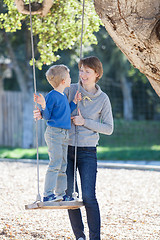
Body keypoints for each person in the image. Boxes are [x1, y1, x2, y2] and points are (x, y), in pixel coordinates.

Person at [34, 56, 114, 240]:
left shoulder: (103, 99)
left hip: (87, 151)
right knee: (70, 196)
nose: (82, 75)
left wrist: (85, 122)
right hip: (66, 148)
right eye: (81, 70)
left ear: (97, 74)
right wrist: (41, 112)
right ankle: (80, 236)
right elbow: (53, 107)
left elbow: (109, 128)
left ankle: (95, 238)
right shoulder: (70, 89)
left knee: (88, 197)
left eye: (87, 71)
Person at [34, 64, 80, 203]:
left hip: (64, 134)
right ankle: (48, 194)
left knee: (63, 165)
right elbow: (47, 116)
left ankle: (60, 193)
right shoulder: (52, 95)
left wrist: (74, 102)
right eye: (69, 76)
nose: (71, 78)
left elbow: (65, 112)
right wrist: (43, 105)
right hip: (54, 133)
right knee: (55, 163)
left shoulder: (62, 95)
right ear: (63, 81)